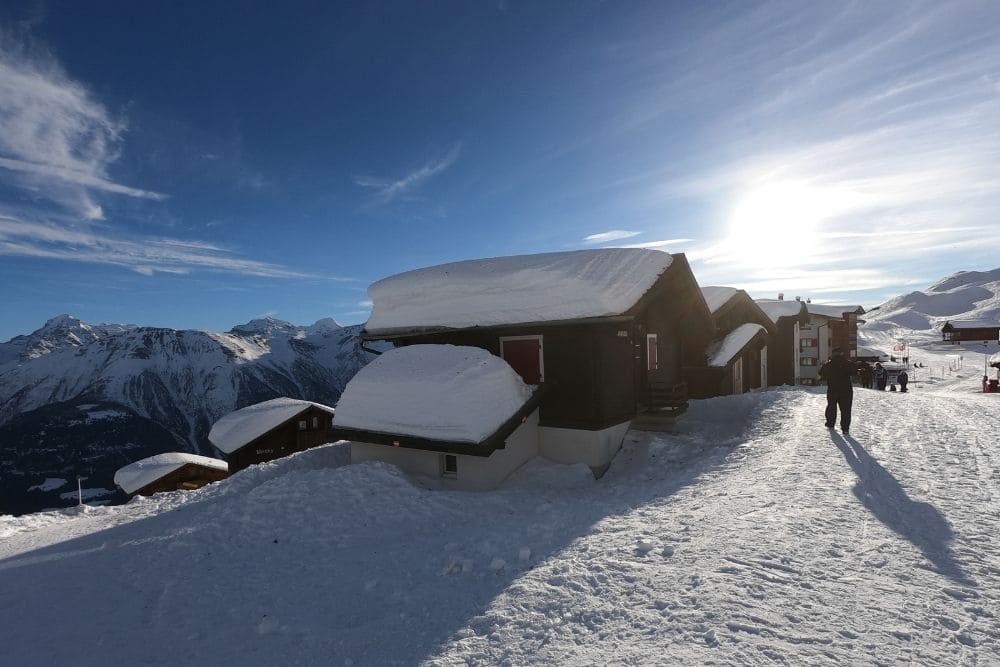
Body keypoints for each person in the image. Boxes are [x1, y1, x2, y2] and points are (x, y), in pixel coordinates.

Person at [819, 347, 855, 435]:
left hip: (833, 389)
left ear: (833, 354)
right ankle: (845, 428)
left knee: (831, 406)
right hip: (846, 390)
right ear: (842, 353)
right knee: (846, 409)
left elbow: (821, 374)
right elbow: (854, 372)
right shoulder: (848, 363)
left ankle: (830, 424)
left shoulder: (828, 364)